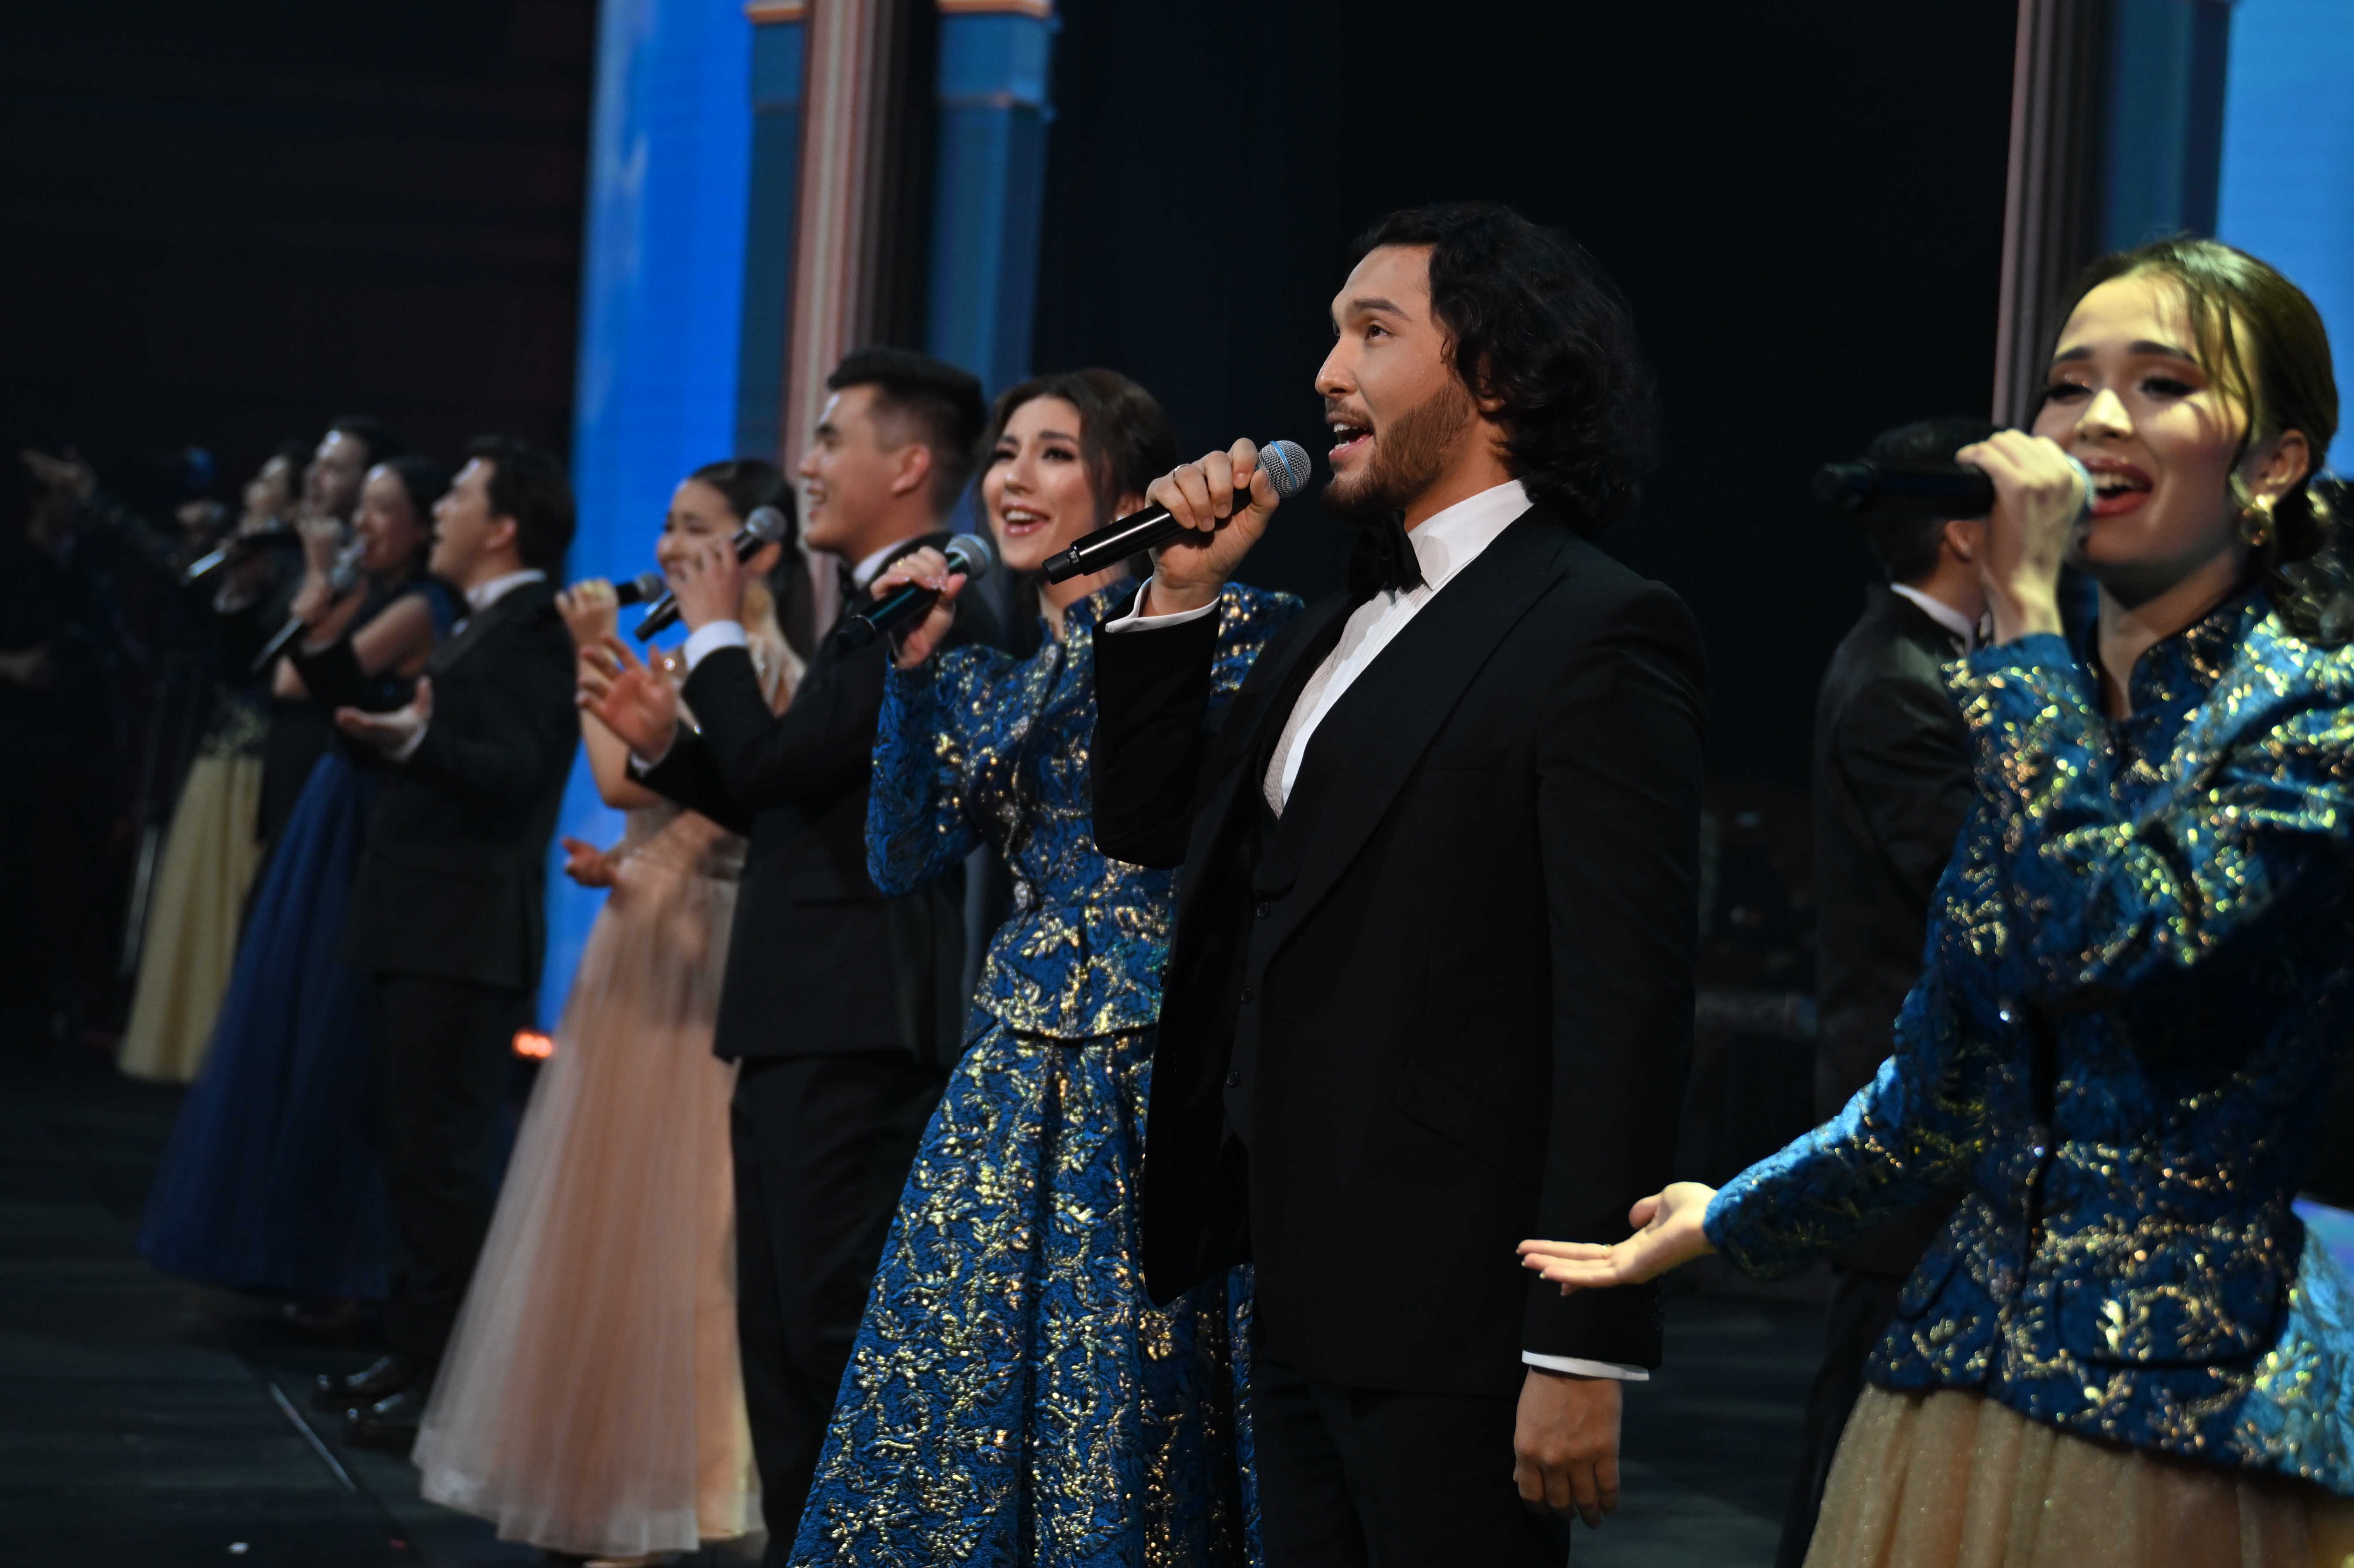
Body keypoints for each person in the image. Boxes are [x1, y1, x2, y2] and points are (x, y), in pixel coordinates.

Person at [1525, 237, 2354, 1568]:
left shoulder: (2312, 715)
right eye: (2068, 385)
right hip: (1957, 1393)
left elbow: (2109, 938)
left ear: (2273, 464)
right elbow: (1936, 1099)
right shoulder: (2056, 712)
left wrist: (2023, 616)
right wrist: (1725, 1213)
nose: (2095, 420)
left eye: (2161, 384)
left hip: (2190, 1409)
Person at [1088, 202, 1709, 1565]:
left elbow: (1624, 1018)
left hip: (1460, 1315)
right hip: (1293, 1282)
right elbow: (1144, 828)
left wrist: (1582, 1341)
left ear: (1498, 377)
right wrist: (1177, 599)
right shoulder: (1335, 627)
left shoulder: (1597, 628)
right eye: (1332, 334)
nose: (1327, 373)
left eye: (1375, 333)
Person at [789, 370, 1297, 1564]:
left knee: (1139, 1382)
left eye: (1055, 454)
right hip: (1011, 1078)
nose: (1014, 480)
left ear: (1128, 491)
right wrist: (910, 677)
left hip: (1158, 1070)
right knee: (964, 1379)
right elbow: (900, 856)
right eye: (1006, 454)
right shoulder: (992, 683)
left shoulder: (1230, 630)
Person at [578, 347, 1004, 1556]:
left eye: (829, 439)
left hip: (855, 1019)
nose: (805, 466)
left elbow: (775, 770)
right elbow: (792, 799)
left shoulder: (927, 605)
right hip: (804, 1014)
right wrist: (667, 751)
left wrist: (715, 633)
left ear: (908, 465)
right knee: (776, 1334)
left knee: (824, 1333)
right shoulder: (868, 608)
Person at [413, 459, 806, 1565]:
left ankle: (665, 1491)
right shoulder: (695, 654)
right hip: (646, 930)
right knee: (612, 1219)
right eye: (668, 525)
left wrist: (594, 650)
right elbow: (674, 816)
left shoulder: (748, 660)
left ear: (759, 549)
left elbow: (631, 778)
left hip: (695, 958)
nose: (669, 547)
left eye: (697, 528)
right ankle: (607, 1478)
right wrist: (624, 867)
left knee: (672, 1221)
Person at [138, 455, 458, 1308]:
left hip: (364, 812)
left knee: (332, 1027)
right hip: (330, 799)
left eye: (382, 509)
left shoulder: (421, 606)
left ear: (422, 524)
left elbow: (297, 677)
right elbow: (282, 660)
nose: (363, 525)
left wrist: (317, 581)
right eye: (365, 508)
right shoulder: (374, 592)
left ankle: (341, 1269)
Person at [314, 436, 579, 1449]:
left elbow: (514, 769)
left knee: (444, 1166)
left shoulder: (535, 629)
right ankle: (413, 1351)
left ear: (504, 525)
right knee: (412, 1155)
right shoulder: (483, 622)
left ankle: (447, 1384)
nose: (439, 513)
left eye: (459, 495)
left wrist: (416, 741)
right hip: (423, 925)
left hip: (463, 935)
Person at [1778, 414, 1995, 1567]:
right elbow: (1983, 898)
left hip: (1942, 1119)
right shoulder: (1898, 684)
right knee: (1861, 1438)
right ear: (1965, 532)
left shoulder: (1928, 666)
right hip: (1908, 1120)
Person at [120, 442, 310, 1083]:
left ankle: (223, 1056)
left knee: (233, 912)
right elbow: (178, 576)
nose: (251, 490)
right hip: (219, 753)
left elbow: (260, 669)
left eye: (267, 482)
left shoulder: (292, 570)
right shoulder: (243, 559)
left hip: (256, 763)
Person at [255, 416, 408, 857]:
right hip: (282, 765)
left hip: (330, 776)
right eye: (316, 465)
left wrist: (318, 573)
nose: (313, 478)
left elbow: (289, 680)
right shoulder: (313, 559)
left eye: (334, 469)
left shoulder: (374, 586)